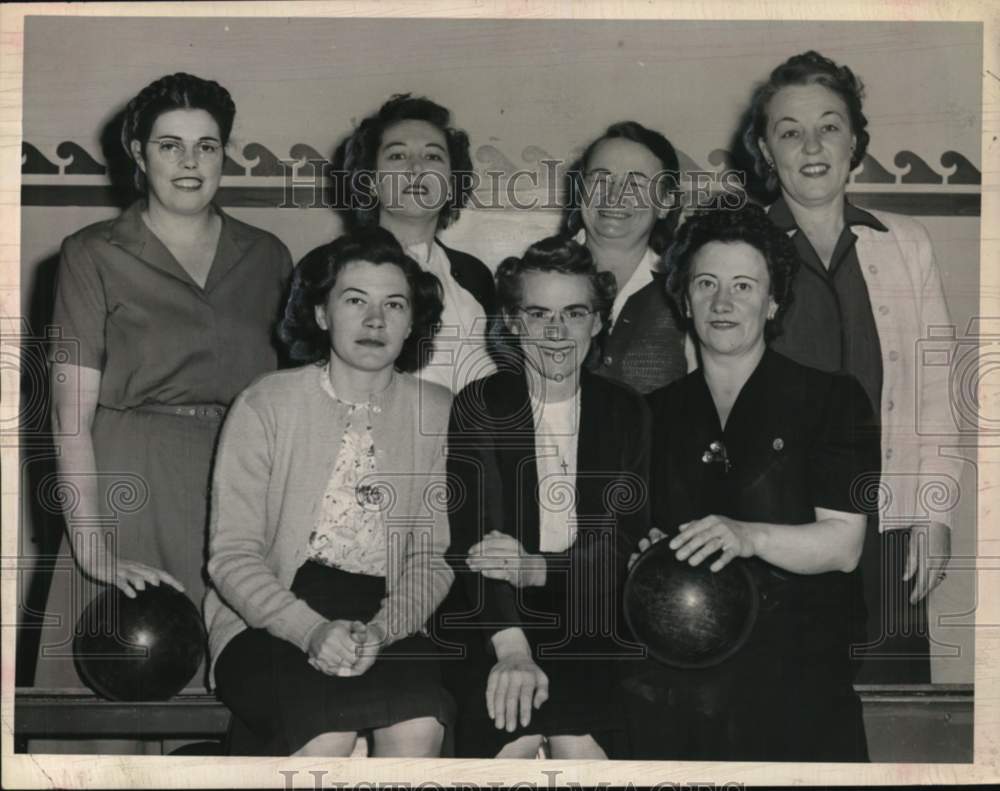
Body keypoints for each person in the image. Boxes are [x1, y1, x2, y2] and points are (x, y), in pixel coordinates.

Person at [37, 73, 293, 697]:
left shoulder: (269, 255)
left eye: (207, 146)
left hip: (239, 488)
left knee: (235, 698)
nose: (189, 161)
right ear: (138, 151)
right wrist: (92, 546)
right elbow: (70, 416)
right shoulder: (91, 253)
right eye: (169, 144)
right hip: (131, 485)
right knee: (116, 695)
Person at [625, 204, 879, 761]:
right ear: (683, 298)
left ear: (773, 301)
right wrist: (644, 556)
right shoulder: (648, 414)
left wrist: (747, 536)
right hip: (683, 684)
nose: (723, 302)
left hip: (799, 680)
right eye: (706, 284)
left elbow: (843, 546)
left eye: (744, 285)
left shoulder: (834, 401)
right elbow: (639, 541)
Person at [742, 50, 961, 682]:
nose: (811, 145)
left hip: (887, 527)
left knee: (891, 705)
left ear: (855, 141)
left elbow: (936, 393)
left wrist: (934, 514)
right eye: (789, 131)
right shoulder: (736, 245)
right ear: (764, 148)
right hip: (774, 532)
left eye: (829, 125)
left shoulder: (905, 244)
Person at [205, 228, 454, 757]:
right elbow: (231, 558)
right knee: (326, 731)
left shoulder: (436, 411)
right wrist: (311, 630)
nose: (375, 320)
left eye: (394, 304)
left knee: (418, 727)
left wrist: (384, 630)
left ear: (412, 322)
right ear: (321, 314)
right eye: (354, 300)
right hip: (271, 613)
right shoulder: (265, 404)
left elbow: (432, 559)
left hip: (390, 613)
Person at [444, 236, 650, 759]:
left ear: (598, 322)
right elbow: (477, 542)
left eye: (574, 313)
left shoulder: (625, 411)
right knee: (508, 743)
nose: (556, 332)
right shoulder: (481, 404)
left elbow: (618, 546)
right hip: (494, 618)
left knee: (582, 745)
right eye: (538, 314)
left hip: (596, 620)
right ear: (513, 323)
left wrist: (536, 567)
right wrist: (510, 649)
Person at [339, 93, 496, 393]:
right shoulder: (331, 267)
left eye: (433, 156)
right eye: (397, 156)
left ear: (451, 183)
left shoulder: (475, 277)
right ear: (370, 180)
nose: (416, 169)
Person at [562, 121, 690, 394]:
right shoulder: (533, 275)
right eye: (600, 178)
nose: (615, 195)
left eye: (636, 183)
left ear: (666, 202)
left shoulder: (686, 289)